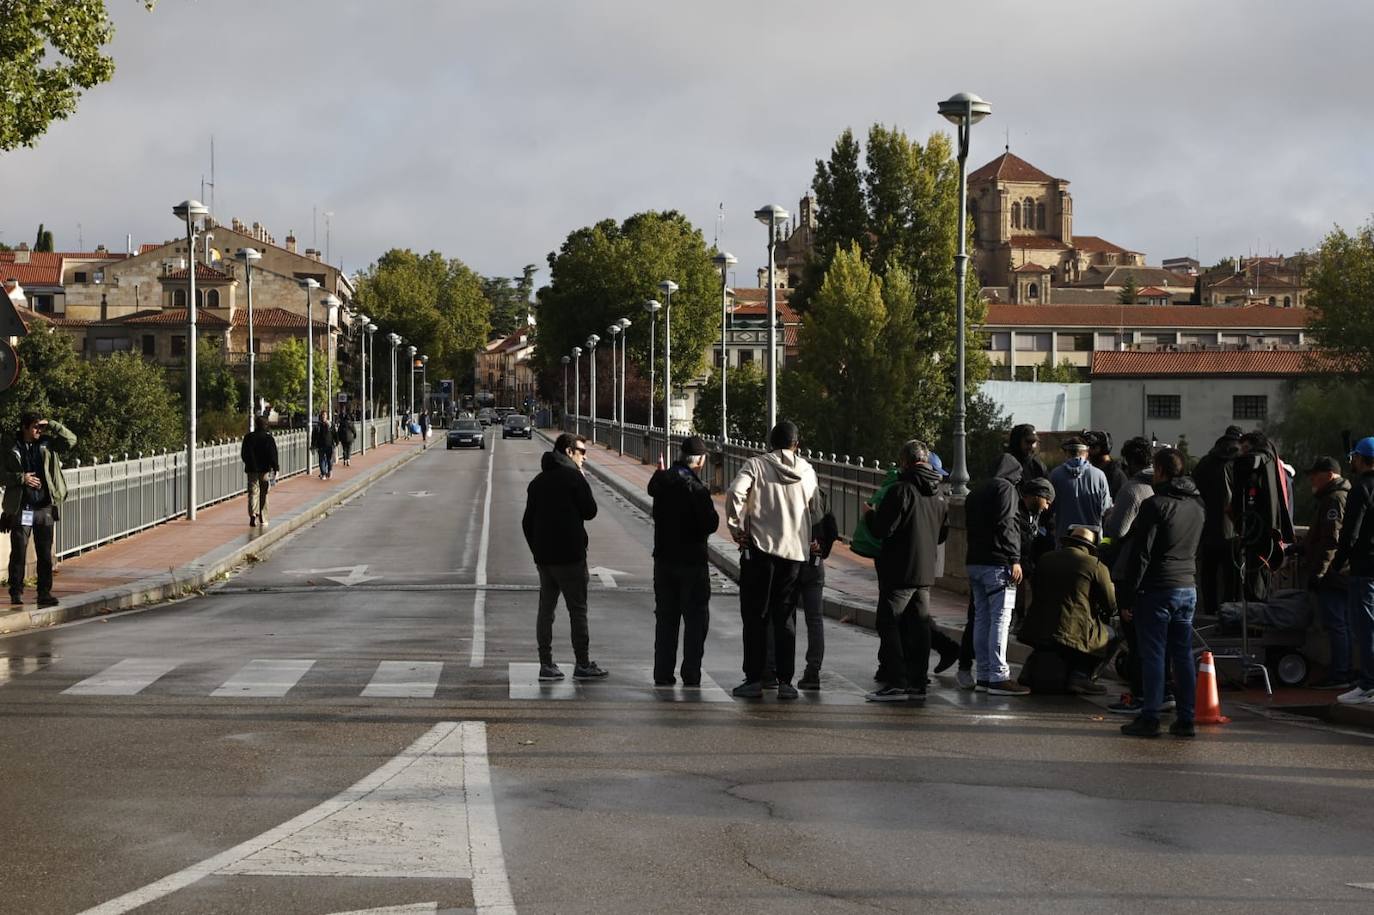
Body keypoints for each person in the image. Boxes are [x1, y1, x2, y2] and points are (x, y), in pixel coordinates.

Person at [726, 421, 820, 700]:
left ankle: (754, 678)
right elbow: (815, 507)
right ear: (797, 445)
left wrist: (736, 527)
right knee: (786, 617)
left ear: (769, 443)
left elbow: (734, 493)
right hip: (794, 555)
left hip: (761, 551)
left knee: (756, 615)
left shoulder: (756, 465)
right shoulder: (807, 470)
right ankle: (786, 682)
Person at [1117, 448, 1205, 738]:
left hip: (1157, 588)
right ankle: (1186, 718)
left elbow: (1140, 554)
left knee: (1153, 654)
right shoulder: (1197, 506)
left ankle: (1151, 716)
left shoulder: (1155, 505)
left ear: (1161, 471)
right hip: (1187, 586)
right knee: (1182, 655)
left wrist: (1128, 595)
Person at [863, 440, 949, 701]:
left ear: (904, 462)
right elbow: (942, 535)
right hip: (925, 570)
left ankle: (897, 682)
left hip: (899, 569)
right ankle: (918, 681)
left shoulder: (900, 491)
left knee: (888, 622)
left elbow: (882, 530)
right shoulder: (939, 494)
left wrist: (869, 514)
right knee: (919, 626)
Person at [964, 454, 1053, 696]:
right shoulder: (1006, 489)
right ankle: (998, 676)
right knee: (1001, 619)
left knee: (981, 618)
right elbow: (1007, 525)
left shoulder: (976, 491)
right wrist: (1014, 558)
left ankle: (983, 674)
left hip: (975, 562)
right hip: (998, 563)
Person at [523, 433, 607, 681]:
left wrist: (537, 551)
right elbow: (590, 511)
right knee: (577, 610)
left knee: (546, 611)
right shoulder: (573, 478)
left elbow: (526, 522)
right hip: (571, 557)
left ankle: (546, 663)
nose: (585, 457)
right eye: (582, 451)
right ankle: (582, 662)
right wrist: (582, 480)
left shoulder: (538, 482)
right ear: (569, 452)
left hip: (545, 560)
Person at [647, 436, 720, 687]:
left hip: (664, 560)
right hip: (692, 562)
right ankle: (691, 673)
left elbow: (654, 504)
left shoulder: (662, 482)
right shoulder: (696, 488)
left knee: (666, 619)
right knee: (696, 619)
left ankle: (663, 673)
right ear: (699, 460)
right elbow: (710, 523)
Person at [1102, 436, 1163, 715]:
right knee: (1159, 639)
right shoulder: (1167, 488)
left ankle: (1140, 695)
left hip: (1131, 570)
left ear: (1128, 462)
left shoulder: (1134, 489)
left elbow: (1117, 531)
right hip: (1164, 573)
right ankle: (1163, 692)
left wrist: (1109, 515)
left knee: (1136, 638)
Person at [1017, 526, 1117, 694]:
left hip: (1037, 624)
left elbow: (1034, 587)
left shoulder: (1046, 558)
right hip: (1073, 630)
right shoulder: (1095, 565)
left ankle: (1030, 670)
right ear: (1090, 547)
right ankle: (1081, 676)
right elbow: (1110, 604)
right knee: (1111, 635)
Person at [3, 414, 76, 608]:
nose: (39, 430)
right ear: (25, 427)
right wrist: (22, 478)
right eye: (35, 427)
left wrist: (51, 424)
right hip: (22, 507)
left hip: (44, 506)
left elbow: (71, 440)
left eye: (41, 427)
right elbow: (1, 474)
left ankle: (44, 592)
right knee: (18, 552)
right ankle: (16, 592)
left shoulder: (47, 444)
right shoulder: (11, 447)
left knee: (45, 553)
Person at [1296, 456, 1352, 689]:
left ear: (1329, 474)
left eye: (1315, 473)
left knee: (1337, 624)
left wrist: (1319, 573)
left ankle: (1340, 674)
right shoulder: (1337, 496)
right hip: (1342, 570)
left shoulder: (1334, 500)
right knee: (1343, 624)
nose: (1311, 478)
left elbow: (1331, 541)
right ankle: (1342, 671)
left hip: (1335, 573)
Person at [1325, 438, 1374, 705]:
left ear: (1362, 459)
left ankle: (1368, 684)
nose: (1352, 461)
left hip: (1364, 568)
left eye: (1354, 457)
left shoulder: (1360, 490)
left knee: (1366, 628)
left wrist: (1336, 564)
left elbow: (1350, 534)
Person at [1192, 426, 1242, 616]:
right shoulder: (1241, 463)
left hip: (1207, 528)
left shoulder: (1205, 462)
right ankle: (1230, 613)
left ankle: (1210, 612)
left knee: (1208, 574)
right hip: (1234, 530)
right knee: (1233, 576)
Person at [1049, 437, 1112, 540]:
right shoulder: (1099, 475)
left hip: (1064, 540)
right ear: (1086, 453)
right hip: (1092, 540)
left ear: (1067, 453)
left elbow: (1049, 508)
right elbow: (1106, 510)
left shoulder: (1055, 475)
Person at [240, 415, 279, 528]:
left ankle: (253, 514)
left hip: (252, 469)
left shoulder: (248, 438)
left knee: (253, 492)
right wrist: (275, 468)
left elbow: (244, 454)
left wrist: (248, 463)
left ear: (256, 424)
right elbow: (273, 455)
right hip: (264, 469)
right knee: (264, 493)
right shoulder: (268, 438)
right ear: (265, 425)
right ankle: (263, 517)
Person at [1084, 431, 1128, 499]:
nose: (1088, 452)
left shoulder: (1117, 476)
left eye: (1092, 447)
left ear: (1103, 448)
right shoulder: (1090, 472)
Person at [312, 411, 337, 480]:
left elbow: (334, 433)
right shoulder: (318, 425)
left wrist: (337, 442)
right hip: (320, 445)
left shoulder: (330, 424)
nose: (323, 416)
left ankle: (329, 471)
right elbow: (314, 436)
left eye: (325, 415)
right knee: (321, 460)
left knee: (329, 460)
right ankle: (323, 473)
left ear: (327, 416)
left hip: (329, 445)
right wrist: (313, 445)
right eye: (322, 415)